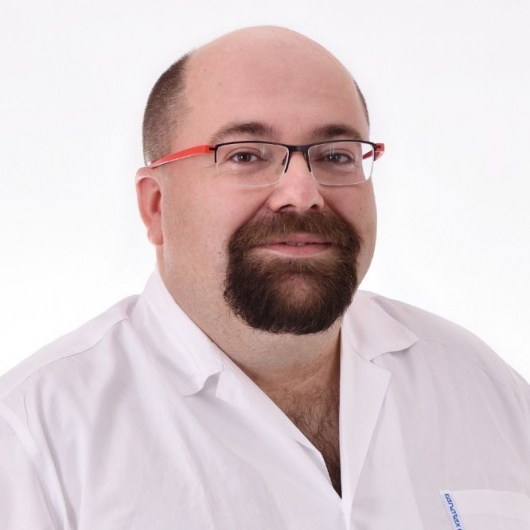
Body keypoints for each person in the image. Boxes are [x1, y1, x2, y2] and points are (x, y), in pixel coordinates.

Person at [1, 26, 529, 530]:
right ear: (156, 206)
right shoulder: (33, 439)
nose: (302, 194)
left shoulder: (482, 387)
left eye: (336, 155)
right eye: (245, 155)